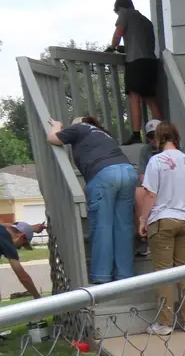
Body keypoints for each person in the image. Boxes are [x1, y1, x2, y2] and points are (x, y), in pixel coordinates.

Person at [47, 116, 137, 284]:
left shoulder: (79, 127)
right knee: (123, 226)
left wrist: (57, 125)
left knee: (102, 225)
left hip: (105, 175)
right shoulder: (104, 134)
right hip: (127, 171)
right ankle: (125, 275)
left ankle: (102, 276)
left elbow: (53, 138)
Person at [138, 122, 185, 335]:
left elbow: (150, 194)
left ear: (158, 138)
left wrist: (142, 220)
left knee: (164, 273)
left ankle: (164, 324)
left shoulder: (155, 161)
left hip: (163, 219)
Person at [107, 0, 162, 145]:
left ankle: (136, 135)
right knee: (151, 99)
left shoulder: (125, 15)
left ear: (120, 9)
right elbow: (142, 42)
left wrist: (112, 48)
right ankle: (161, 132)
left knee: (134, 97)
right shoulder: (145, 21)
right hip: (150, 62)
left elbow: (118, 34)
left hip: (136, 62)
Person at [0, 221, 42, 323]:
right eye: (22, 245)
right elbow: (23, 277)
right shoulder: (6, 241)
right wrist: (38, 298)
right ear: (21, 236)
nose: (19, 248)